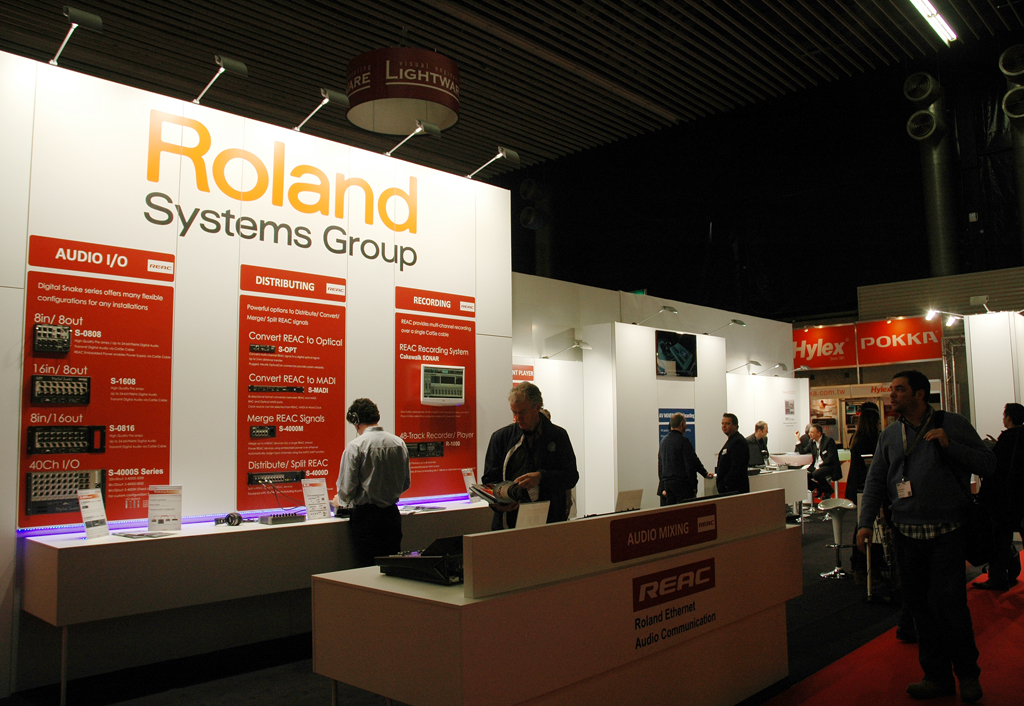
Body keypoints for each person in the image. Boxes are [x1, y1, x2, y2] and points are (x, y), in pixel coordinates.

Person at [855, 370, 994, 703]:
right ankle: (936, 677)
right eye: (892, 389)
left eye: (899, 390)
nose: (892, 395)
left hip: (947, 533)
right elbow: (875, 481)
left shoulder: (953, 423)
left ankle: (968, 676)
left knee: (951, 607)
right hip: (906, 535)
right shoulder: (890, 434)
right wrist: (864, 523)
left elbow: (988, 464)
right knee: (920, 609)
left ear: (920, 394)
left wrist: (950, 445)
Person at [482, 382, 578, 530]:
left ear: (537, 407)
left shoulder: (558, 436)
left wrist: (541, 477)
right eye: (514, 412)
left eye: (522, 412)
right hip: (509, 522)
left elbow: (571, 476)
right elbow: (489, 482)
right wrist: (499, 503)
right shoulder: (500, 438)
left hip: (550, 521)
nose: (517, 418)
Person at [334, 398, 411, 567]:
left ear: (355, 420)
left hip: (366, 519)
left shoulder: (355, 446)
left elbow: (347, 489)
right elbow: (406, 483)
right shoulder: (398, 443)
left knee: (367, 569)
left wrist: (340, 500)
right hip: (391, 516)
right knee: (392, 568)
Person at [973, 402, 1024, 590]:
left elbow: (994, 469)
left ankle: (998, 578)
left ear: (1008, 418)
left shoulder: (1006, 439)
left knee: (1000, 541)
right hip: (1020, 499)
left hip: (1003, 501)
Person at [845, 406, 881, 583]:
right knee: (869, 527)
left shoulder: (857, 438)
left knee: (861, 525)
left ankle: (860, 566)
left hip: (857, 487)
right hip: (867, 487)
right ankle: (866, 567)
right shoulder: (872, 439)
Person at [658, 413, 712, 505]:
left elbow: (661, 466)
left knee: (672, 511)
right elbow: (691, 463)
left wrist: (663, 486)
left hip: (668, 484)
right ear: (682, 425)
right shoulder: (684, 441)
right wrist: (698, 480)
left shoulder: (663, 442)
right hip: (682, 485)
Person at [715, 413, 749, 494]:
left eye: (727, 424)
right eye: (722, 424)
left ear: (735, 426)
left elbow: (737, 467)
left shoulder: (738, 442)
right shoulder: (731, 440)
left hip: (734, 489)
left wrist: (725, 484)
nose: (724, 426)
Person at [807, 424, 841, 499]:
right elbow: (804, 450)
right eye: (809, 432)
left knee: (816, 474)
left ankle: (828, 490)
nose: (809, 434)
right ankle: (819, 487)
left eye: (812, 432)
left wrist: (820, 466)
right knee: (803, 475)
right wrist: (797, 440)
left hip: (828, 465)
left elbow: (830, 458)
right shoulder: (812, 442)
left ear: (819, 433)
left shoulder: (828, 441)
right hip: (816, 465)